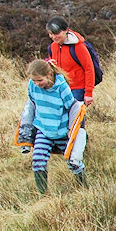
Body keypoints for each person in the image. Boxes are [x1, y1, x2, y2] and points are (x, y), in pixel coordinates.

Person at [26, 59, 88, 194]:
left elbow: (72, 108)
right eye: (34, 81)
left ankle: (84, 188)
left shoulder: (61, 87)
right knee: (38, 161)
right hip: (43, 130)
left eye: (39, 80)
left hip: (62, 131)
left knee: (73, 163)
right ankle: (43, 194)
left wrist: (75, 133)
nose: (37, 84)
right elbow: (31, 104)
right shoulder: (32, 85)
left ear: (49, 74)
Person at [46, 16, 95, 106]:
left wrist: (88, 93)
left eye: (56, 33)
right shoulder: (52, 47)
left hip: (77, 90)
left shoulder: (78, 47)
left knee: (76, 118)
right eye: (51, 34)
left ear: (66, 30)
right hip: (60, 89)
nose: (53, 37)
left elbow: (89, 69)